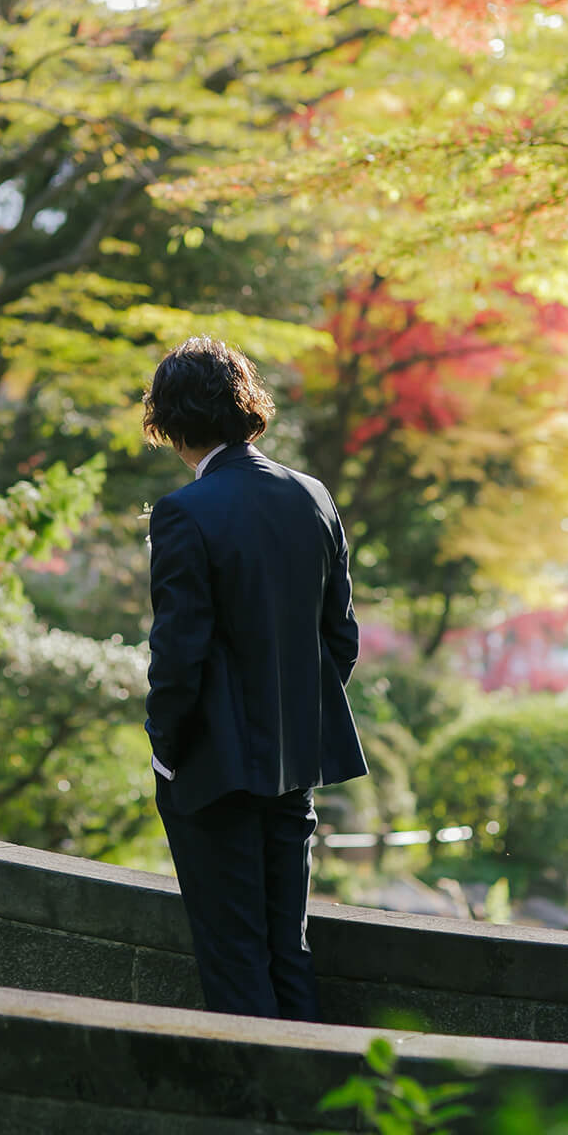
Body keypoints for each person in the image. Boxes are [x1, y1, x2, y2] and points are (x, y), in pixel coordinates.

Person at [142, 335, 367, 1021]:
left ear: (172, 422)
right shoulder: (313, 496)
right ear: (246, 410)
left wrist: (165, 747)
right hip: (294, 762)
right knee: (285, 946)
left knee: (234, 956)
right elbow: (342, 640)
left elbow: (179, 656)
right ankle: (308, 1108)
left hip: (213, 769)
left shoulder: (185, 512)